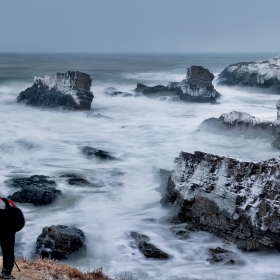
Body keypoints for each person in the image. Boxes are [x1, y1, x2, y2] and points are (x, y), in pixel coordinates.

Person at [0, 198, 20, 279]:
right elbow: (19, 217)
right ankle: (6, 273)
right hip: (8, 231)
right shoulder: (7, 202)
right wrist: (14, 229)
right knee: (8, 253)